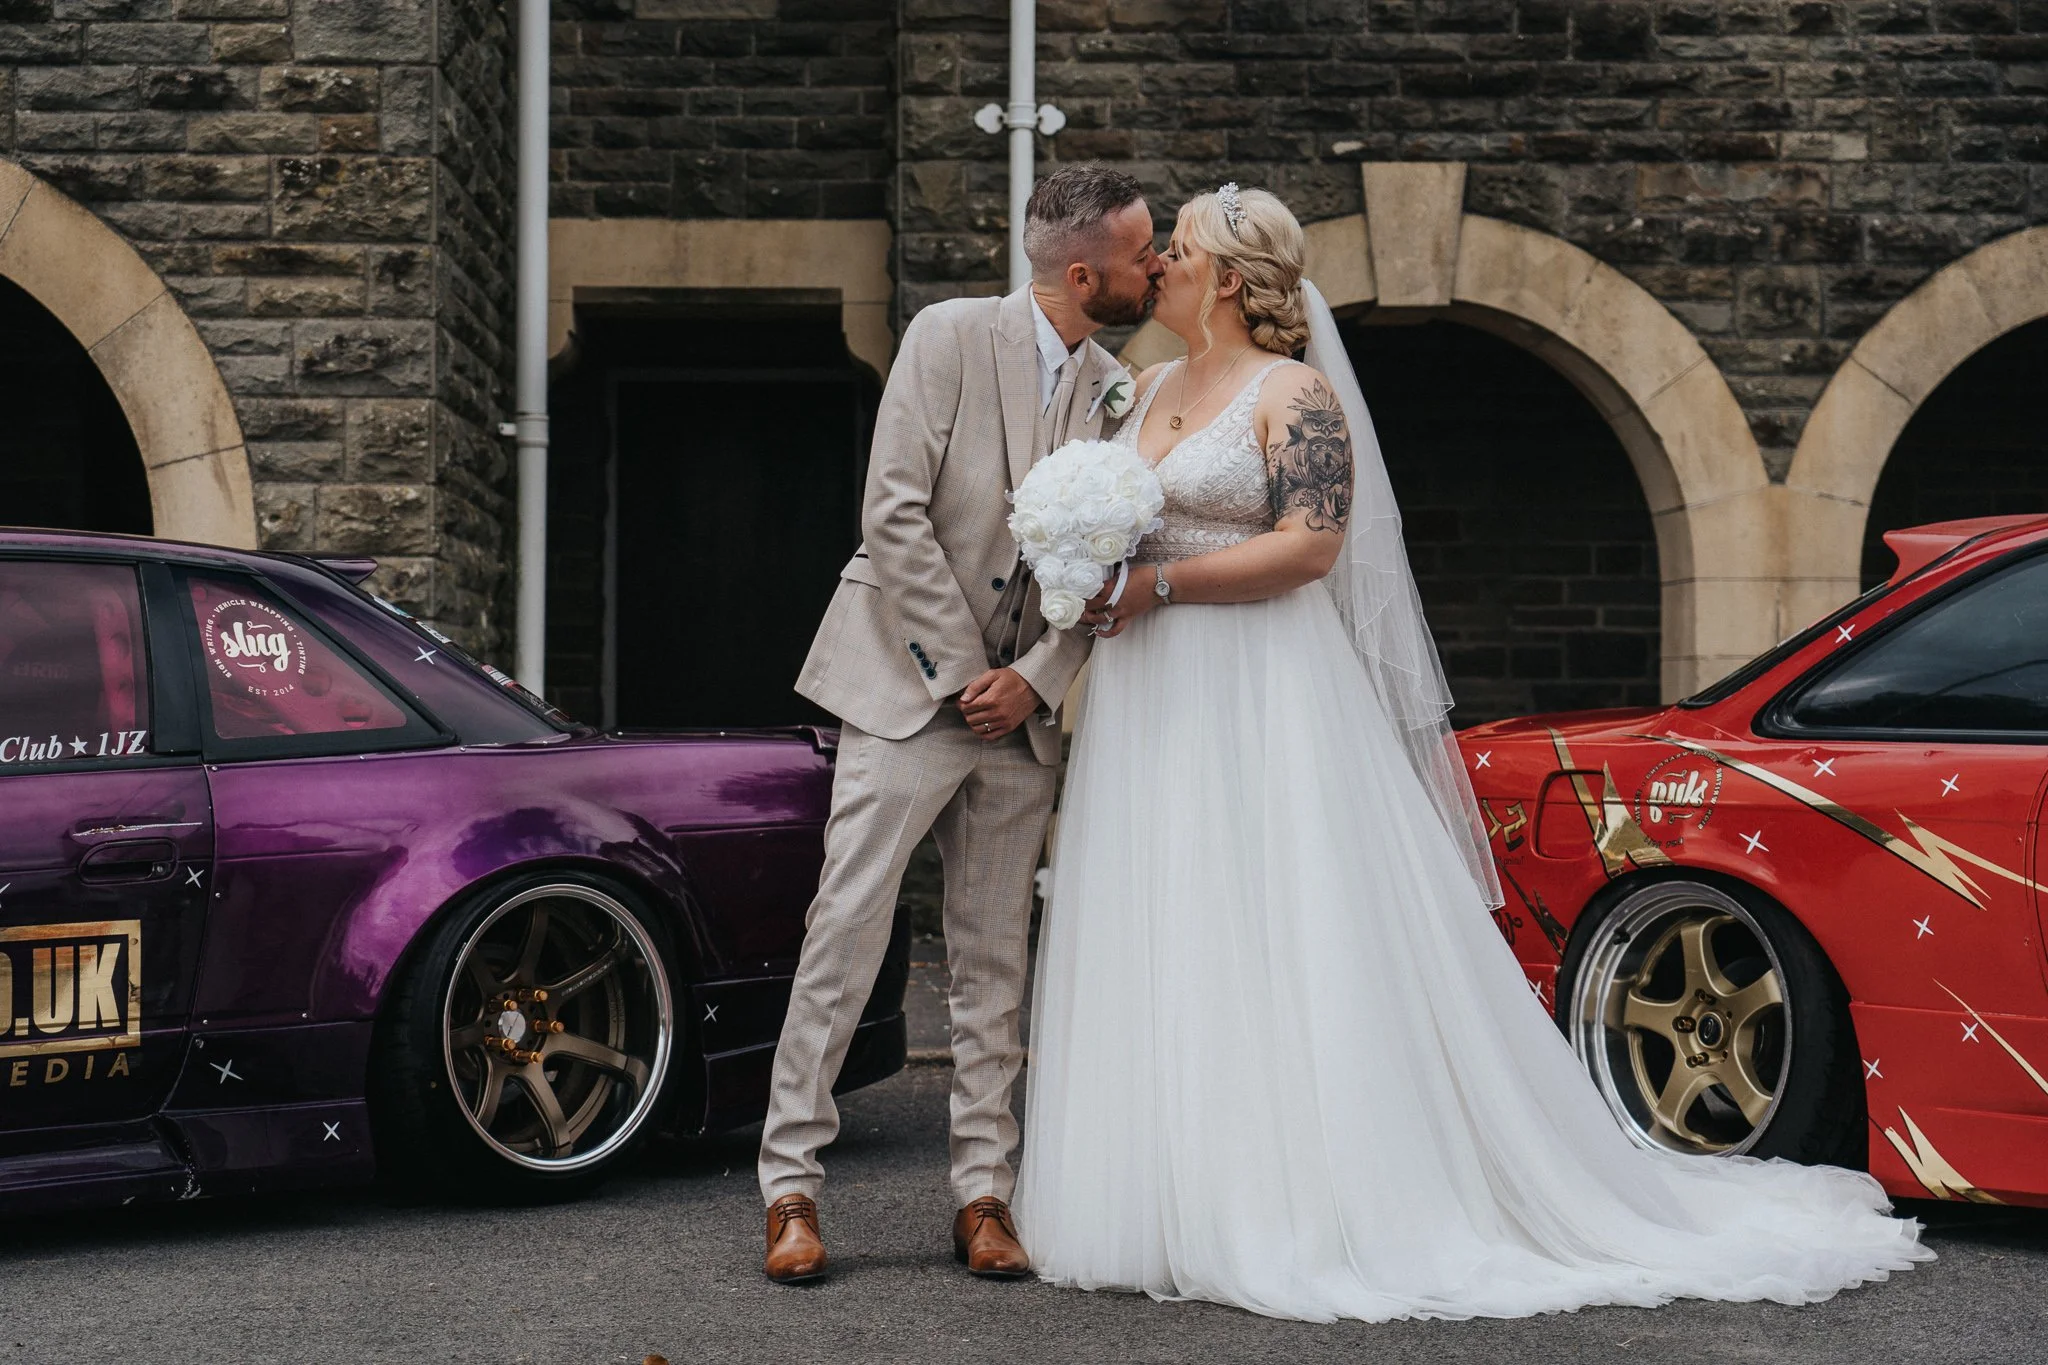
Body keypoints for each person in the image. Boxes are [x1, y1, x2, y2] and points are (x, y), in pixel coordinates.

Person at [1011, 182, 1932, 1321]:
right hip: (1151, 699)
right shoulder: (1141, 387)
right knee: (1172, 917)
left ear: (1230, 279)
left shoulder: (1293, 394)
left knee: (1280, 922)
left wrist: (1152, 583)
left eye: (1178, 251)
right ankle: (1162, 1189)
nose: (1158, 268)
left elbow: (1309, 549)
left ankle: (1296, 1199)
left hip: (1259, 687)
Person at [756, 163, 1165, 1284]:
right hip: (907, 692)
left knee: (994, 961)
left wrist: (1035, 675)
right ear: (1084, 272)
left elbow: (1115, 567)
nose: (1159, 264)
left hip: (1020, 717)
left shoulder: (1122, 392)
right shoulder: (946, 338)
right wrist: (962, 673)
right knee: (845, 933)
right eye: (1142, 252)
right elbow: (890, 509)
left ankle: (982, 1194)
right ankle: (789, 1186)